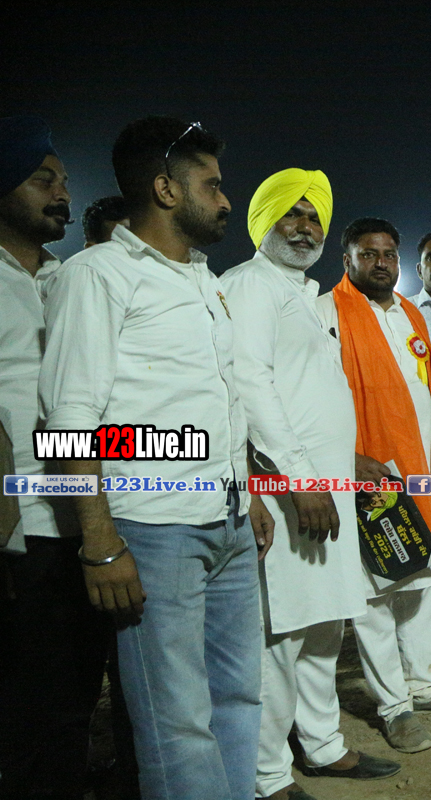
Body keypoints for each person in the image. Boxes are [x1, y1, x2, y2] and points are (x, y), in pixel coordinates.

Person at [40, 116, 274, 800]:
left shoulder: (204, 278)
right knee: (176, 724)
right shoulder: (96, 276)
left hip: (229, 523)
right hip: (155, 529)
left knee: (238, 699)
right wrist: (100, 542)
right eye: (213, 186)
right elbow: (70, 422)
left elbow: (222, 399)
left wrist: (248, 492)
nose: (226, 201)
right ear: (166, 190)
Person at [221, 169, 401, 796]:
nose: (304, 227)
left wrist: (345, 460)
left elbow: (308, 393)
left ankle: (323, 746)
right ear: (263, 220)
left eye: (314, 217)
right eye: (291, 214)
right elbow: (250, 384)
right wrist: (301, 481)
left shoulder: (301, 293)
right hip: (287, 491)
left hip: (328, 488)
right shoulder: (250, 285)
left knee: (326, 625)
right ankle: (267, 772)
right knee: (283, 634)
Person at [315, 217, 431, 755]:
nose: (381, 262)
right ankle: (394, 707)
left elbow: (420, 390)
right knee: (378, 593)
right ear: (347, 260)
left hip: (427, 469)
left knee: (429, 582)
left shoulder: (411, 314)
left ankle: (423, 687)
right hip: (373, 474)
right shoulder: (326, 312)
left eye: (389, 253)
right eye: (368, 253)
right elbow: (311, 395)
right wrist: (346, 458)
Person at [0, 114, 107, 800]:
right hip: (20, 535)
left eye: (64, 180)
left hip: (86, 523)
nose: (62, 193)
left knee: (74, 700)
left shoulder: (67, 279)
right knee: (26, 709)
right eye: (43, 180)